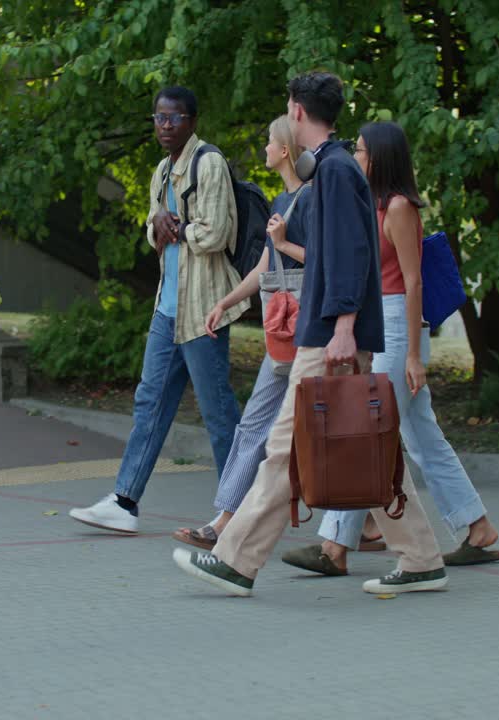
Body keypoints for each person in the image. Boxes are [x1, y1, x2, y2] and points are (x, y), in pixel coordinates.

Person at [172, 72, 447, 597]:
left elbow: (349, 254)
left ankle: (235, 561)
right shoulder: (336, 168)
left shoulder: (338, 171)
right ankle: (421, 559)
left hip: (328, 334)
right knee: (373, 447)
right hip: (326, 330)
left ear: (296, 111)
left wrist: (343, 327)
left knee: (283, 449)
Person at [281, 122, 499, 579]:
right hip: (379, 319)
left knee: (366, 432)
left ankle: (332, 546)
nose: (355, 157)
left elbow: (413, 280)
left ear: (380, 156)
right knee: (422, 438)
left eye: (361, 151)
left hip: (400, 322)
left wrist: (413, 356)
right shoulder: (369, 203)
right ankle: (477, 528)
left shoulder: (399, 208)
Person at [70, 87, 248, 534]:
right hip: (167, 309)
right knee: (149, 404)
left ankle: (241, 507)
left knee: (219, 412)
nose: (165, 126)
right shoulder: (162, 171)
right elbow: (153, 231)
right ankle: (124, 501)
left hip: (203, 308)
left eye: (174, 118)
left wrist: (177, 226)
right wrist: (158, 225)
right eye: (159, 118)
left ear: (192, 120)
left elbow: (217, 233)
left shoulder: (208, 163)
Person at [171, 115, 309, 549]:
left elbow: (324, 259)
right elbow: (266, 267)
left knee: (315, 431)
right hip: (281, 334)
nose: (264, 149)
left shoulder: (311, 200)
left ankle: (365, 524)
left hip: (310, 333)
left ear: (285, 150)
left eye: (270, 142)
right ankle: (224, 521)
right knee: (253, 426)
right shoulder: (282, 203)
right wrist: (226, 302)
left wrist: (285, 243)